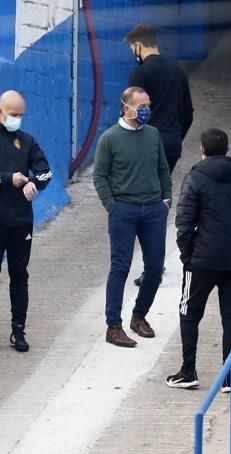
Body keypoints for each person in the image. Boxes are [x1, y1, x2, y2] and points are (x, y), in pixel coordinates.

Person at [165, 128, 231, 392]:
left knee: (189, 312)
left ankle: (188, 371)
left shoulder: (195, 178)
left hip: (203, 260)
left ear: (203, 150)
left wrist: (188, 256)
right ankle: (230, 378)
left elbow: (184, 222)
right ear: (228, 150)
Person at [0, 90, 53, 354]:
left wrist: (34, 184)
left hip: (20, 220)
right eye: (13, 115)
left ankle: (18, 330)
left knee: (19, 275)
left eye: (21, 115)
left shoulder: (26, 141)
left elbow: (45, 172)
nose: (17, 119)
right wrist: (8, 179)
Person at [93, 86, 172, 349]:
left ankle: (139, 316)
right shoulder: (109, 138)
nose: (146, 110)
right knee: (120, 267)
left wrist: (165, 199)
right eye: (141, 106)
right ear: (126, 108)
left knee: (154, 268)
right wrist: (112, 206)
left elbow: (163, 168)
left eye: (148, 105)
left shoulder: (153, 134)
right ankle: (113, 326)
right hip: (123, 211)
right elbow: (100, 175)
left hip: (153, 210)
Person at [126, 24, 193, 288]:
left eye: (134, 49)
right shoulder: (178, 73)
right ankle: (154, 263)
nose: (135, 53)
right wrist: (174, 137)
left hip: (146, 143)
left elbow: (133, 112)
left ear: (139, 46)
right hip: (171, 143)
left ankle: (152, 267)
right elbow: (187, 114)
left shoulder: (140, 73)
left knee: (144, 204)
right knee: (159, 199)